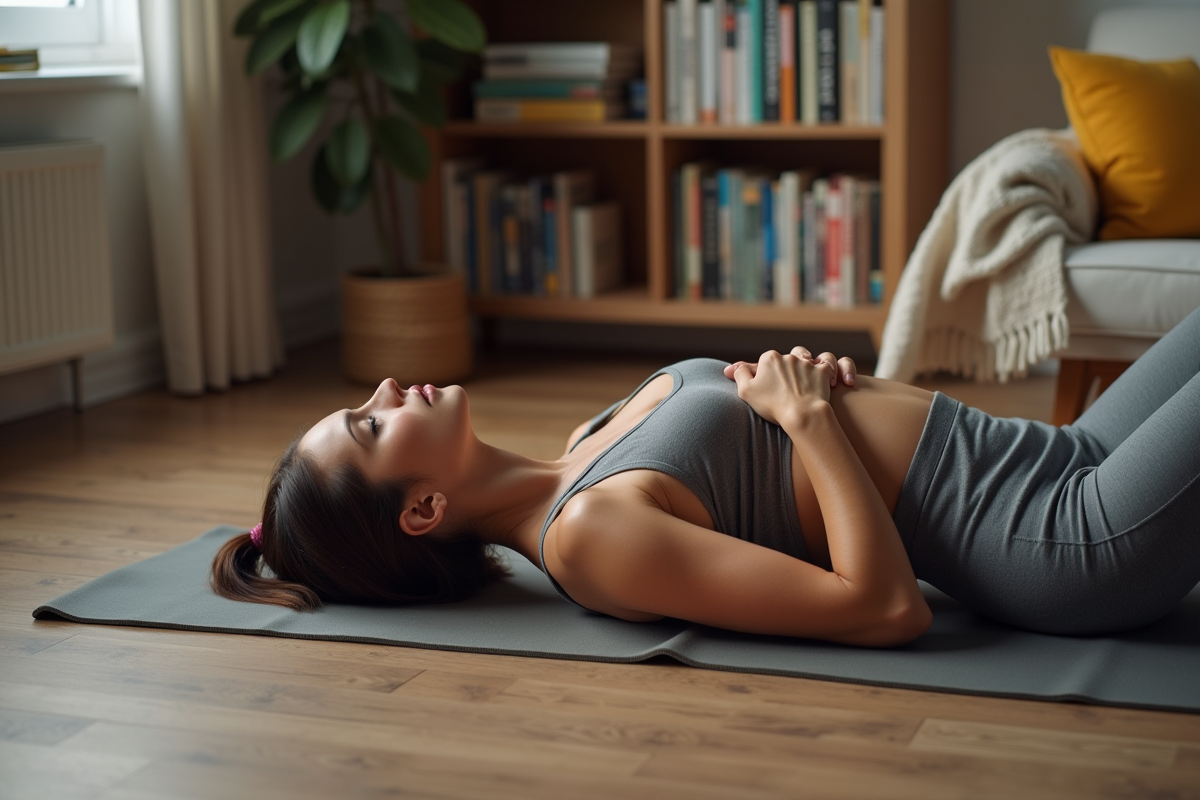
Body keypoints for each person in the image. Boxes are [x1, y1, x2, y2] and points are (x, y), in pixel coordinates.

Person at [212, 306, 1200, 647]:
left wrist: (832, 392)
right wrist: (813, 425)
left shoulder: (586, 434)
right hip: (1074, 537)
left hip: (1062, 453)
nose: (385, 386)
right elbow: (882, 606)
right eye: (369, 423)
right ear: (422, 506)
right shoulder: (590, 538)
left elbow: (784, 449)